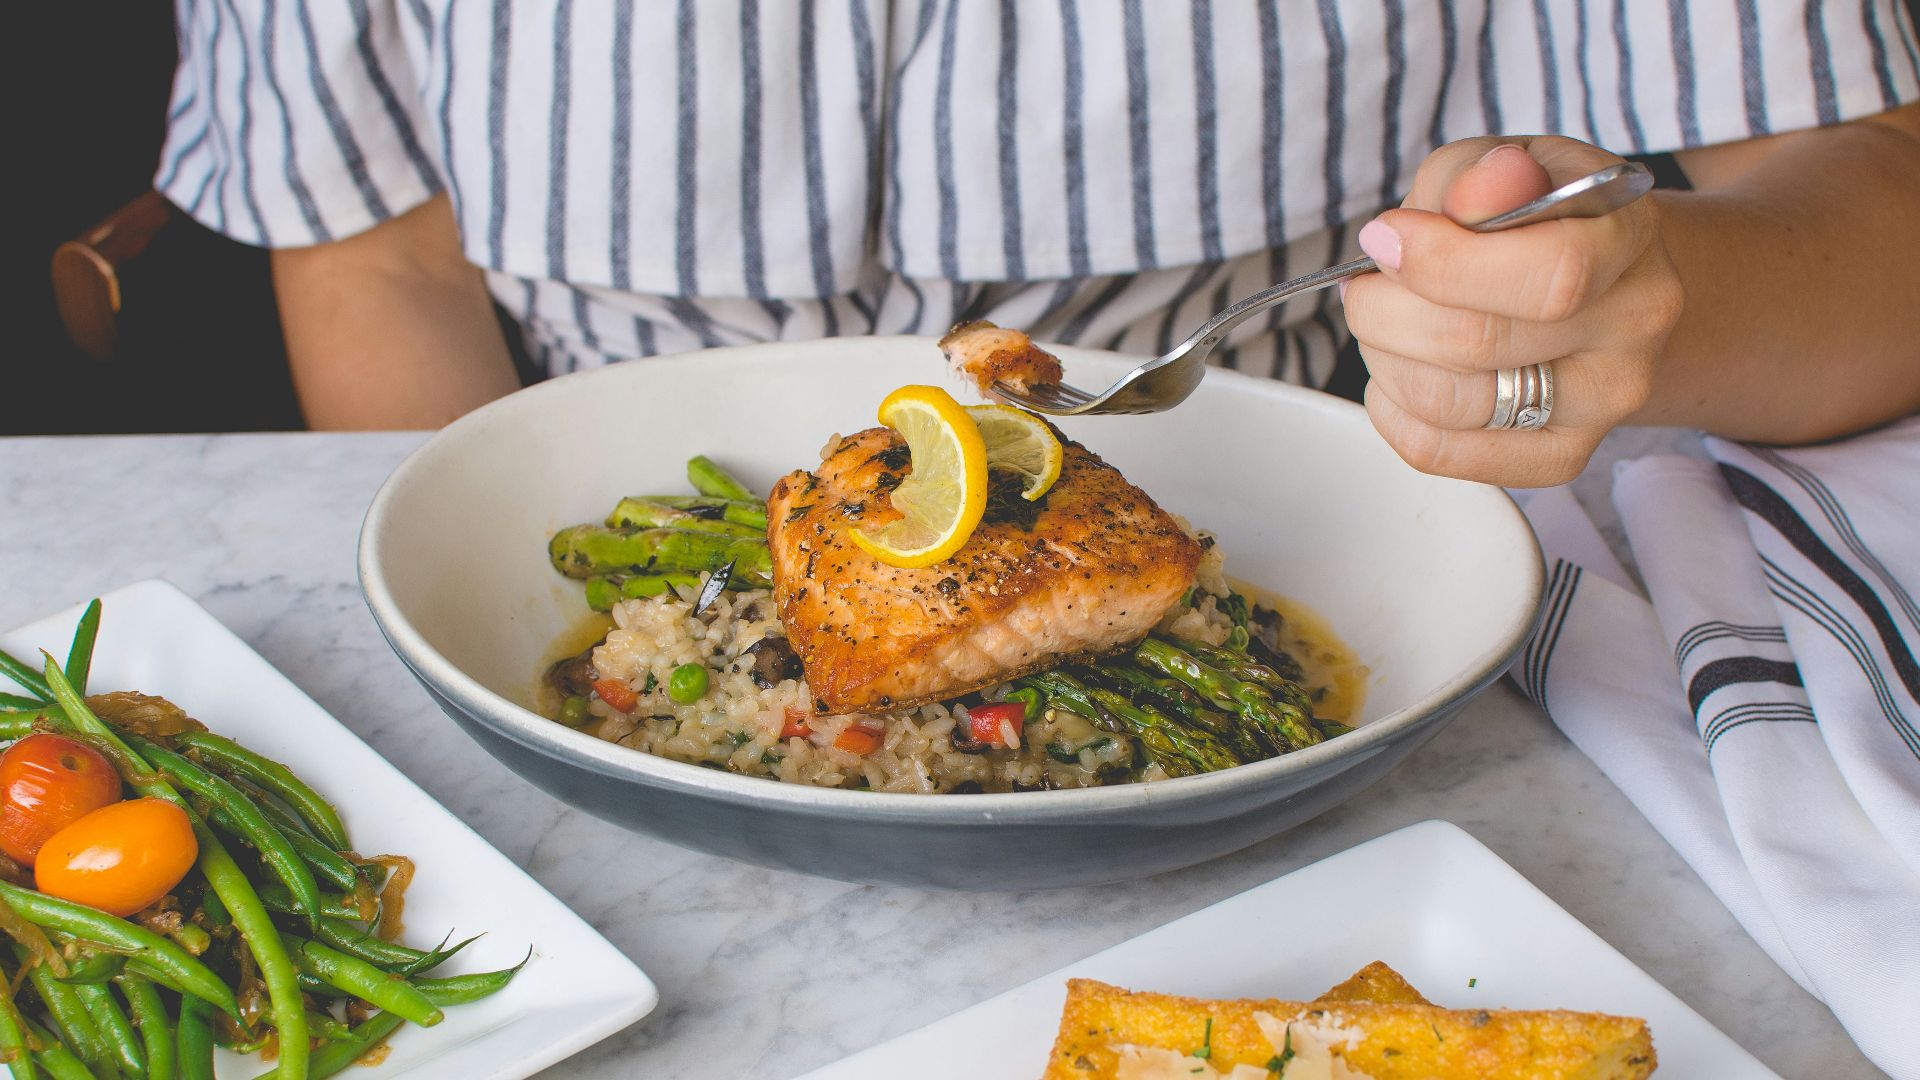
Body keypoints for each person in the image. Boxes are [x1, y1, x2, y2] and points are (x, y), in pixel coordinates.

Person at [157, 2, 1920, 486]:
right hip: (596, 526)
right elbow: (377, 264)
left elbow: (1875, 216)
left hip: (1323, 506)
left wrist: (1628, 313)